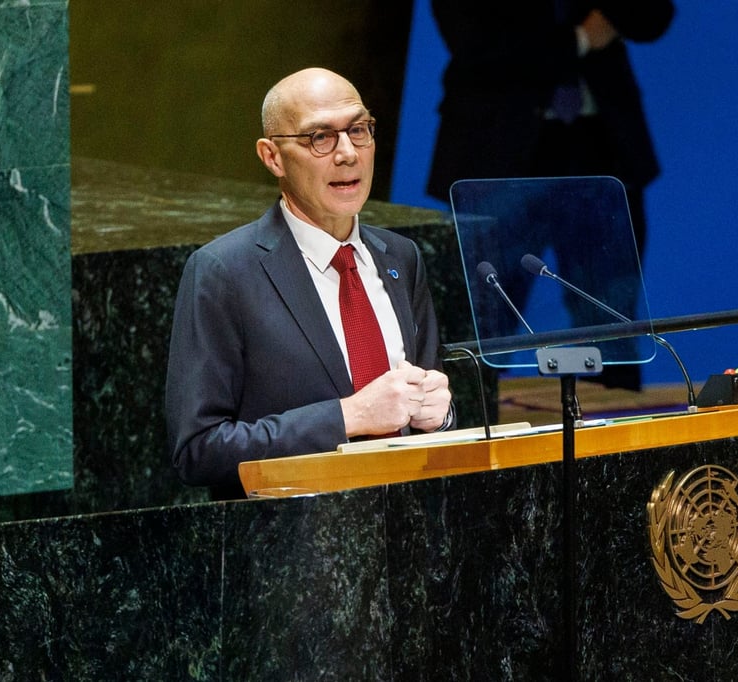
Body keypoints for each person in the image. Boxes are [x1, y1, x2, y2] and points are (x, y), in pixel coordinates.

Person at [166, 67, 454, 499]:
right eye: (319, 137)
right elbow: (198, 449)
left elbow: (429, 403)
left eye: (358, 130)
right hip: (290, 546)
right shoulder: (224, 272)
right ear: (272, 156)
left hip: (410, 531)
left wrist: (441, 416)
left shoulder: (401, 258)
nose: (347, 153)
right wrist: (347, 417)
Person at [427, 1, 675, 391]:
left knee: (611, 323)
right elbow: (478, 45)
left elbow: (652, 16)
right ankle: (469, 438)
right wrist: (578, 40)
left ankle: (618, 448)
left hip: (601, 150)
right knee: (483, 324)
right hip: (497, 157)